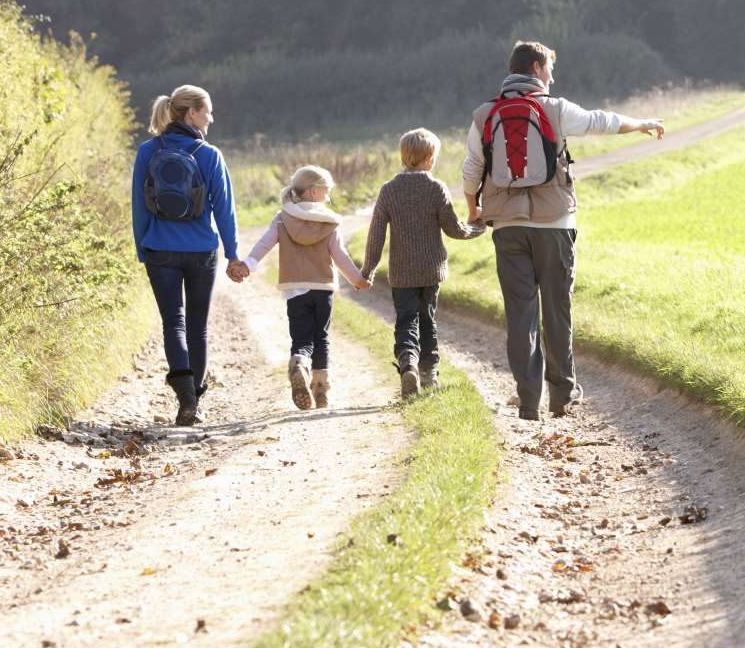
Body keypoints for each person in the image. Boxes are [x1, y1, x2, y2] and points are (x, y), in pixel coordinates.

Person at [462, 41, 664, 420]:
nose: (553, 78)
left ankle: (527, 401)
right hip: (555, 225)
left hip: (507, 227)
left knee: (520, 314)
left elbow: (472, 169)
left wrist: (474, 208)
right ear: (537, 67)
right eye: (550, 69)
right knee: (557, 309)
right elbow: (601, 121)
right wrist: (642, 124)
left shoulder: (484, 115)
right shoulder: (554, 109)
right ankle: (562, 395)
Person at [131, 84, 239, 426]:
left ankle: (185, 399)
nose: (211, 117)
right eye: (207, 111)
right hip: (201, 250)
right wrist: (233, 253)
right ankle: (195, 397)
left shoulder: (148, 151)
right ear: (191, 113)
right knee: (197, 327)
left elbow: (138, 206)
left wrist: (142, 247)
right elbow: (225, 210)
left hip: (159, 248)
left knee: (173, 323)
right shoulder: (209, 155)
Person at [231, 166, 370, 410]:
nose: (328, 197)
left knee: (302, 337)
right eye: (327, 192)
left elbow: (264, 244)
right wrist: (357, 280)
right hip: (323, 288)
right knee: (322, 337)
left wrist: (248, 265)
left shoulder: (283, 217)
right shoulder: (329, 221)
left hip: (295, 289)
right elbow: (341, 257)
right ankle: (321, 392)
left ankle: (299, 363)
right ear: (315, 193)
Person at [361, 128, 485, 398]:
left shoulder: (388, 190)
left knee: (406, 321)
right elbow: (454, 229)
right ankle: (430, 377)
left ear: (404, 156)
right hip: (430, 271)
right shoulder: (435, 188)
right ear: (429, 158)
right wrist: (478, 227)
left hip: (402, 273)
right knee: (428, 321)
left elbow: (376, 234)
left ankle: (408, 365)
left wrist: (368, 270)